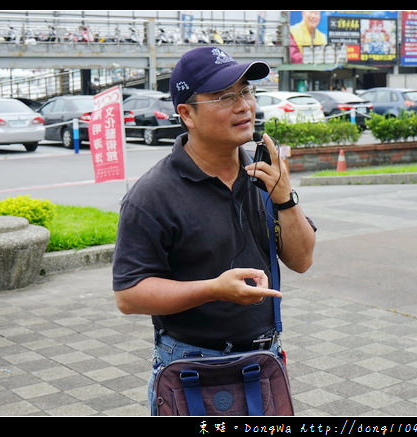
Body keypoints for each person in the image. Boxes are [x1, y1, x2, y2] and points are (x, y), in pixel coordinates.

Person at [112, 46, 316, 415]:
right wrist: (214, 290)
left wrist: (285, 199)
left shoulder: (263, 174)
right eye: (224, 97)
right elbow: (129, 295)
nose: (244, 106)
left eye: (246, 92)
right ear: (186, 114)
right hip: (192, 366)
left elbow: (301, 260)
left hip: (263, 359)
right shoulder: (152, 195)